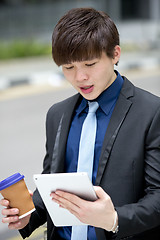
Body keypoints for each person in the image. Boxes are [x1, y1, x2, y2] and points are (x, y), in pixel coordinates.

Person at [1, 7, 160, 240]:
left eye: (89, 64)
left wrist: (114, 219)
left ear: (115, 54)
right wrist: (27, 216)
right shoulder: (57, 114)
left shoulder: (151, 112)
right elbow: (53, 187)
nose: (79, 77)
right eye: (68, 67)